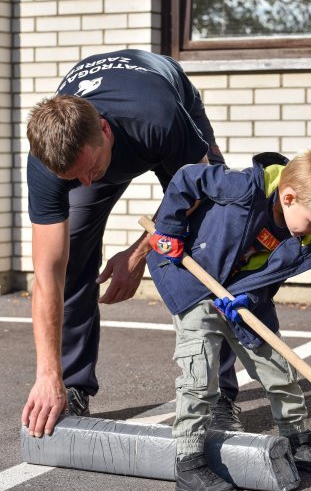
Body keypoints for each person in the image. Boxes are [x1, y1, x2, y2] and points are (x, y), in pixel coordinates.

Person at [21, 48, 241, 438]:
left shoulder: (158, 117)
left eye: (90, 170)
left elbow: (198, 192)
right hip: (106, 137)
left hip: (166, 103)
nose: (87, 184)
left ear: (105, 130)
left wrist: (139, 253)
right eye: (74, 178)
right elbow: (46, 276)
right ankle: (70, 385)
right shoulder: (48, 162)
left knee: (208, 241)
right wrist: (46, 374)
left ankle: (219, 395)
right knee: (69, 258)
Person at [147, 146, 311, 491]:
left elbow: (272, 273)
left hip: (244, 296)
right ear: (288, 197)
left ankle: (298, 442)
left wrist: (248, 298)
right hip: (193, 280)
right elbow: (185, 178)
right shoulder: (242, 186)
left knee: (277, 365)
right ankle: (189, 461)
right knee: (200, 374)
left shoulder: (305, 231)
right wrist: (169, 229)